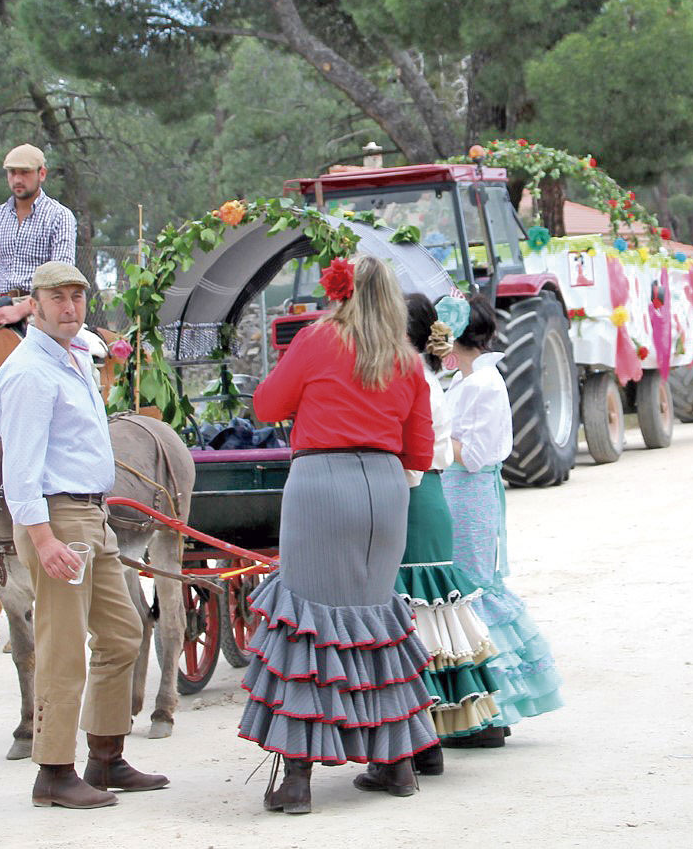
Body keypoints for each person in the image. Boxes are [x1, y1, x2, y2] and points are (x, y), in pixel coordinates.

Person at [242, 256, 437, 813]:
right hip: (386, 490)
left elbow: (266, 406)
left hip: (322, 484)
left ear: (340, 293)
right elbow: (420, 451)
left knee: (309, 624)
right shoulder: (406, 359)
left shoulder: (317, 339)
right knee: (376, 622)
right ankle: (397, 764)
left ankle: (297, 780)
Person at [0, 260, 165, 810]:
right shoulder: (28, 373)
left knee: (123, 632)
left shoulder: (76, 354)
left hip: (92, 515)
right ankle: (53, 771)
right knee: (62, 646)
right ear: (34, 305)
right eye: (57, 298)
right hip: (57, 518)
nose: (69, 307)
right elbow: (20, 467)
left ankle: (106, 756)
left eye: (77, 297)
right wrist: (42, 539)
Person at [439, 293, 564, 743]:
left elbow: (473, 455)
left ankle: (491, 710)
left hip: (468, 492)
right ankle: (483, 708)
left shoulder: (482, 384)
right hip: (457, 490)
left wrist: (429, 438)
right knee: (463, 589)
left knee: (471, 589)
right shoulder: (465, 380)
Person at [398, 294, 501, 768]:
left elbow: (434, 451)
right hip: (432, 489)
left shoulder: (415, 379)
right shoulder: (429, 378)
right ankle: (435, 731)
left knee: (423, 611)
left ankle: (424, 735)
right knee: (434, 614)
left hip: (421, 490)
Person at [0, 144, 80, 329]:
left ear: (41, 174)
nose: (17, 179)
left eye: (25, 172)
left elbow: (60, 276)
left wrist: (20, 310)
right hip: (0, 308)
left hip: (43, 312)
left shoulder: (60, 216)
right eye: (12, 173)